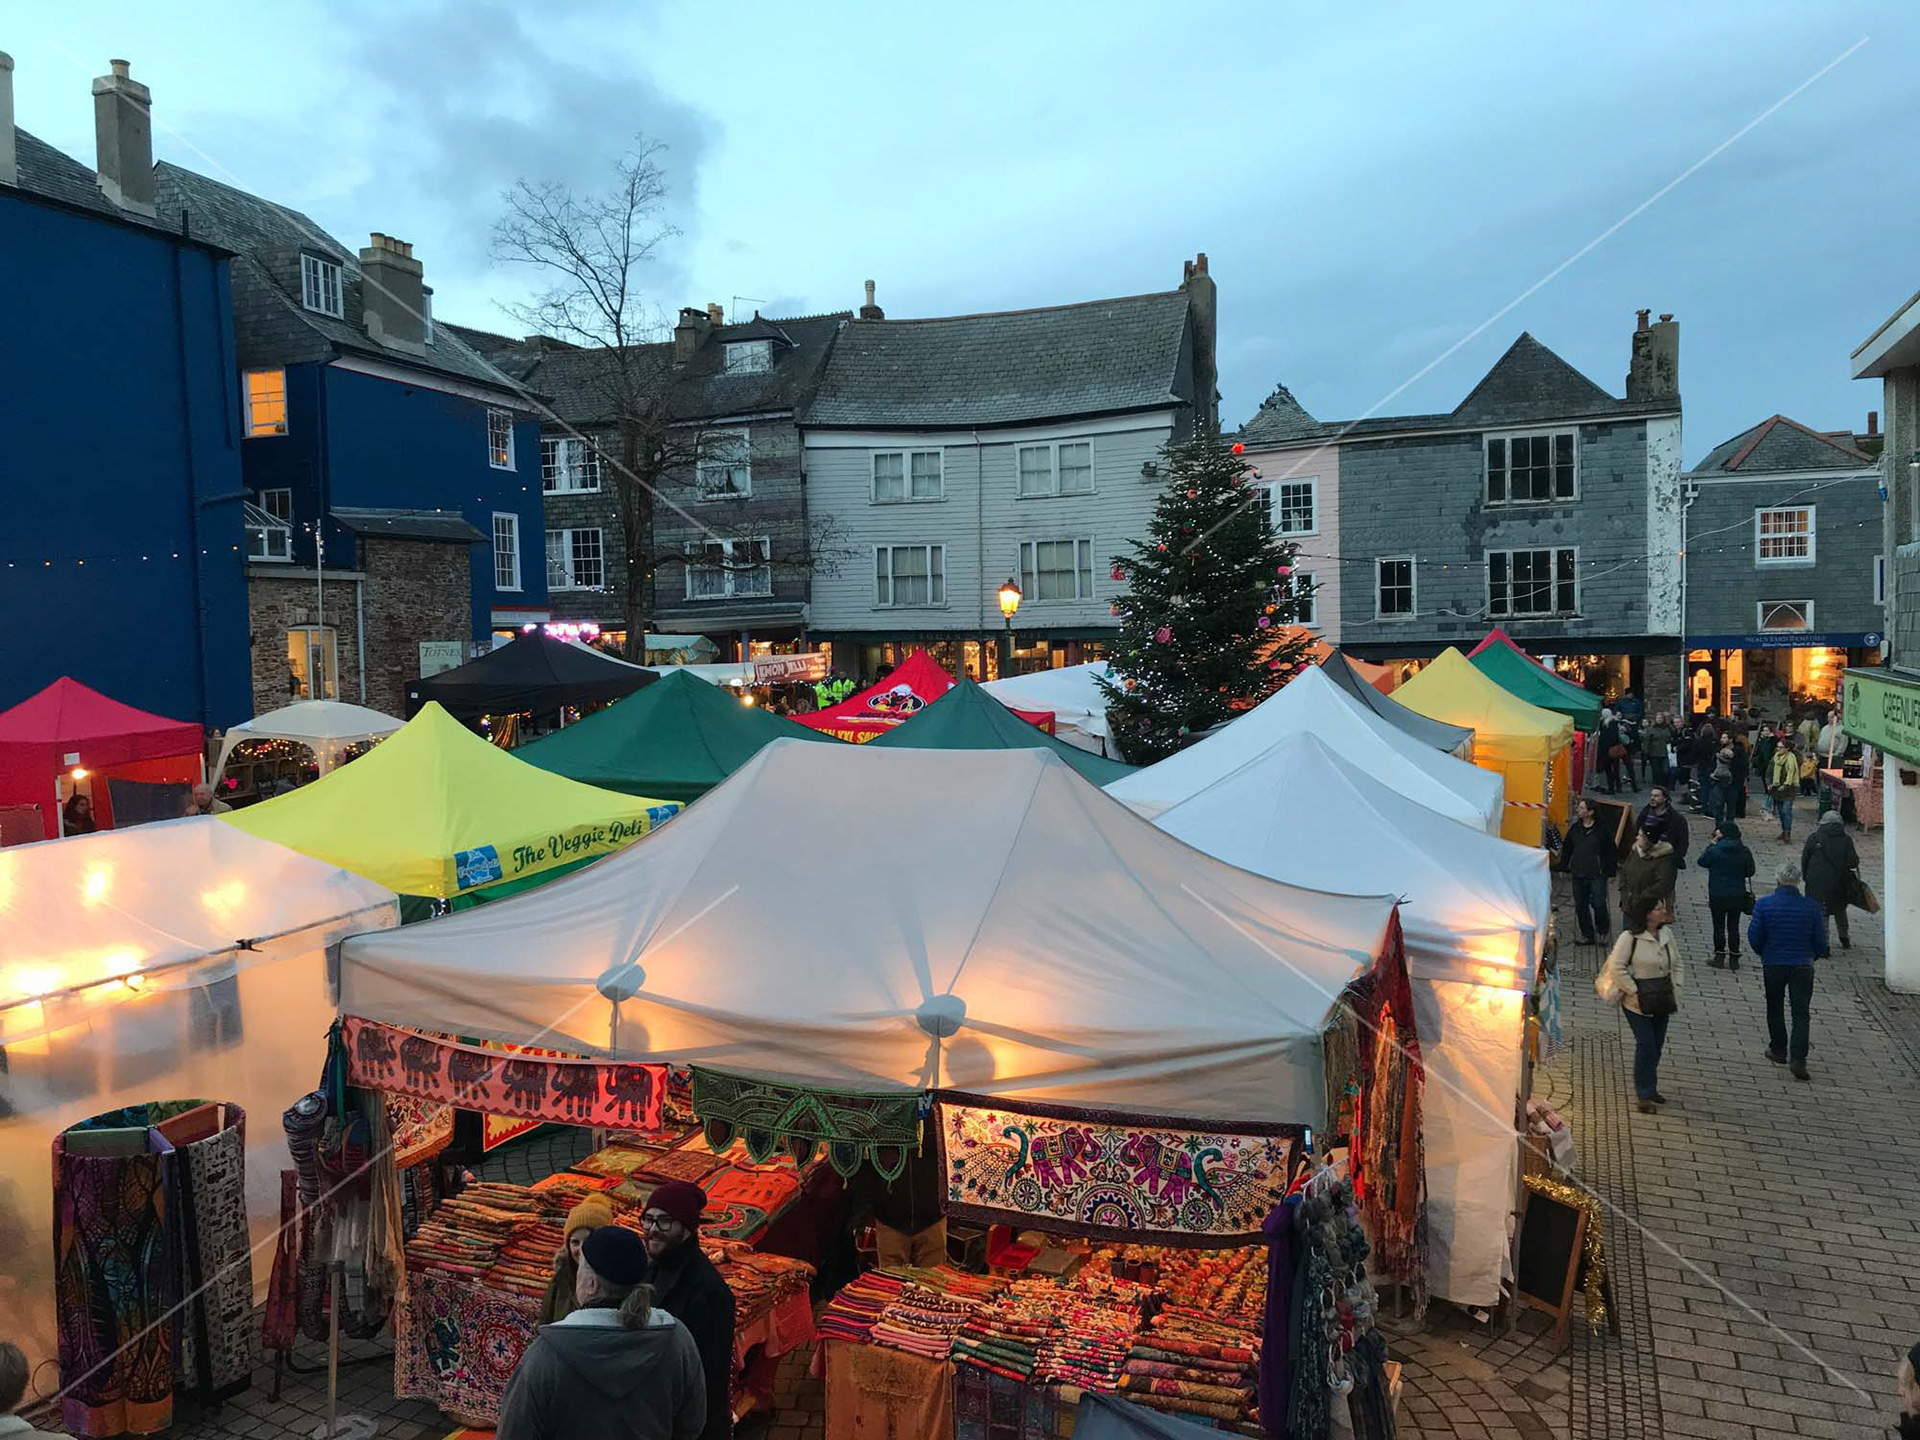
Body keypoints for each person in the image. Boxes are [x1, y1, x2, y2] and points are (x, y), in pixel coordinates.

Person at [496, 1225, 707, 1440]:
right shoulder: (676, 1338)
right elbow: (691, 1425)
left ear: (591, 1284)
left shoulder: (545, 1357)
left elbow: (514, 1433)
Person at [642, 1181, 736, 1440]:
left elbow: (706, 1377)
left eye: (664, 1221)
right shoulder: (654, 1269)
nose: (652, 1229)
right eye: (648, 1220)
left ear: (686, 1228)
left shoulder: (708, 1292)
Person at [1599, 894, 1681, 1113]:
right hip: (1637, 1002)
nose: (1664, 911)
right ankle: (1643, 1094)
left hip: (1662, 998)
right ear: (1647, 914)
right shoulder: (1630, 937)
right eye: (1659, 908)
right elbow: (1617, 967)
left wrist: (1676, 986)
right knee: (1646, 1044)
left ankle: (1650, 1085)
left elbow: (1677, 962)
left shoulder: (1666, 933)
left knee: (1657, 1044)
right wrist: (1634, 991)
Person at [1747, 860, 1827, 1082]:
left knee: (1775, 1006)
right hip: (1802, 964)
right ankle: (1799, 1059)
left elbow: (1754, 936)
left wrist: (1764, 953)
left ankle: (1779, 1049)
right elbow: (1820, 940)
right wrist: (1812, 956)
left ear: (1777, 880)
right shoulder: (1811, 907)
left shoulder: (1764, 905)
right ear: (1798, 882)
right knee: (1801, 1012)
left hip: (1773, 963)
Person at [540, 1195, 615, 1325]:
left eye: (588, 1241)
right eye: (575, 1242)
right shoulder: (561, 1278)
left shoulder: (616, 1283)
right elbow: (545, 1323)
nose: (581, 1249)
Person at [1558, 797, 1617, 944]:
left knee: (1599, 904)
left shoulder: (1602, 830)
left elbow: (1611, 851)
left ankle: (1602, 931)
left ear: (1590, 812)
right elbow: (1567, 848)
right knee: (1580, 905)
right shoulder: (1575, 828)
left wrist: (1611, 871)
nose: (1578, 809)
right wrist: (1564, 866)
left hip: (1597, 873)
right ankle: (1587, 935)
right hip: (1578, 872)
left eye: (1582, 808)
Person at [1697, 821, 1756, 970]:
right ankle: (1734, 957)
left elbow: (1702, 862)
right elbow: (1750, 871)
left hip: (1717, 893)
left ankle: (1719, 956)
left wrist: (1711, 844)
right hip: (1737, 894)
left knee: (1718, 926)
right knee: (1733, 925)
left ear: (1722, 834)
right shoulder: (1744, 851)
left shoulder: (1715, 850)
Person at [1801, 809, 1860, 950]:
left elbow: (1805, 859)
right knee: (1840, 909)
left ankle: (1824, 945)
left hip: (1816, 882)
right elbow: (1852, 862)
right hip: (1839, 882)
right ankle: (1844, 937)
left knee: (1822, 913)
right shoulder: (1846, 840)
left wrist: (1806, 877)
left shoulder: (1814, 838)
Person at [1619, 817, 1678, 917]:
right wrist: (1624, 889)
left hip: (1650, 910)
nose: (1637, 838)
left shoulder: (1664, 859)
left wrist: (1643, 897)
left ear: (1647, 840)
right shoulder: (1635, 852)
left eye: (1640, 835)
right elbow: (1625, 869)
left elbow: (1665, 884)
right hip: (1629, 905)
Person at [1637, 786, 1690, 874]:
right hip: (1645, 857)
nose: (1653, 798)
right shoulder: (1645, 813)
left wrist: (1674, 859)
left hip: (1665, 859)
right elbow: (1637, 829)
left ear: (1665, 798)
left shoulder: (1676, 819)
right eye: (1652, 795)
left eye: (1656, 796)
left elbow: (1683, 841)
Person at [1767, 739, 1801, 842]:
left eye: (1781, 747)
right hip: (1776, 788)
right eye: (1777, 747)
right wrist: (1769, 783)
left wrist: (1786, 784)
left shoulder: (1792, 758)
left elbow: (1792, 771)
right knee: (1781, 811)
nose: (1778, 749)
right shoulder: (1775, 758)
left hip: (1789, 788)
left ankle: (1787, 832)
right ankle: (1784, 830)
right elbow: (1769, 771)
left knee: (1786, 810)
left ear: (1787, 748)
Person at [1641, 712, 1673, 790]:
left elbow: (1670, 737)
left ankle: (1664, 785)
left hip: (1664, 752)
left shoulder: (1667, 728)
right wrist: (1646, 752)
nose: (1659, 719)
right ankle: (1657, 785)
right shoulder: (1651, 729)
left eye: (1661, 718)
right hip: (1654, 753)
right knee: (1656, 771)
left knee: (1665, 771)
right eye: (1658, 718)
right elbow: (1646, 741)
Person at [1597, 710, 1624, 794]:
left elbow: (1611, 737)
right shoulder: (1606, 723)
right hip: (1608, 749)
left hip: (1609, 750)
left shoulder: (1611, 723)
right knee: (1612, 769)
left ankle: (1612, 787)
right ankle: (1615, 786)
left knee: (1610, 769)